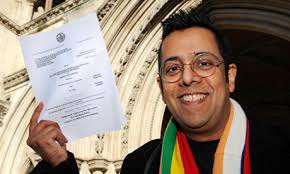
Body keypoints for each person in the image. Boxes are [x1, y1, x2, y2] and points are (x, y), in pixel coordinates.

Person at [27, 7, 290, 174]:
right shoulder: (140, 164)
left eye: (204, 63)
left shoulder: (281, 151)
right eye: (173, 68)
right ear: (161, 88)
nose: (188, 77)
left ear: (230, 76)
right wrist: (59, 162)